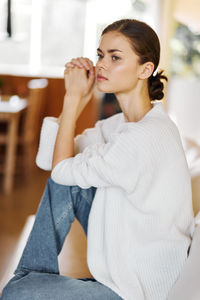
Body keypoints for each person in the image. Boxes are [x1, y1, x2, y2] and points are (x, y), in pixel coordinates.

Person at [1, 19, 195, 300]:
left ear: (146, 69)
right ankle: (32, 276)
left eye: (115, 57)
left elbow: (59, 169)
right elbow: (51, 161)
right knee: (66, 179)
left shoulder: (147, 136)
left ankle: (29, 279)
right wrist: (77, 102)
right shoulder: (120, 125)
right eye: (100, 55)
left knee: (15, 294)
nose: (102, 64)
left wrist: (71, 98)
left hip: (136, 290)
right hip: (119, 264)